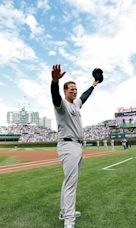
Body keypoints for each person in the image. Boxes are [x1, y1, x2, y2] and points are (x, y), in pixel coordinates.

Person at [50, 64, 100, 228]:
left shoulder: (76, 104)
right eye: (71, 89)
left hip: (78, 146)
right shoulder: (62, 106)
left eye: (75, 89)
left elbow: (84, 96)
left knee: (70, 181)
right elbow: (55, 97)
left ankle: (65, 211)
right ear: (65, 91)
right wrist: (54, 81)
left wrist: (94, 84)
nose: (74, 91)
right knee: (71, 183)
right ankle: (69, 221)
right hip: (68, 145)